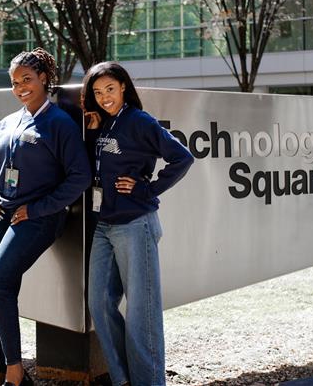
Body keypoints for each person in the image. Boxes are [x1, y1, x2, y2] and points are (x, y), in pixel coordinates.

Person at [0, 48, 91, 386]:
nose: (20, 87)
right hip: (2, 216)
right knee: (1, 289)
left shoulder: (59, 123)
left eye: (27, 80)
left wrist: (41, 208)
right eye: (15, 82)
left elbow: (80, 176)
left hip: (37, 218)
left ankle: (16, 373)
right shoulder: (7, 122)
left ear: (44, 78)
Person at [82, 61, 194, 386]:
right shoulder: (102, 124)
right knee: (99, 303)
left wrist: (147, 187)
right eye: (98, 92)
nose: (105, 97)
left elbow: (182, 157)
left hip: (135, 224)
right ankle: (123, 379)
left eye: (110, 90)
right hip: (104, 225)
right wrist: (90, 131)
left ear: (124, 88)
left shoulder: (139, 121)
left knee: (142, 315)